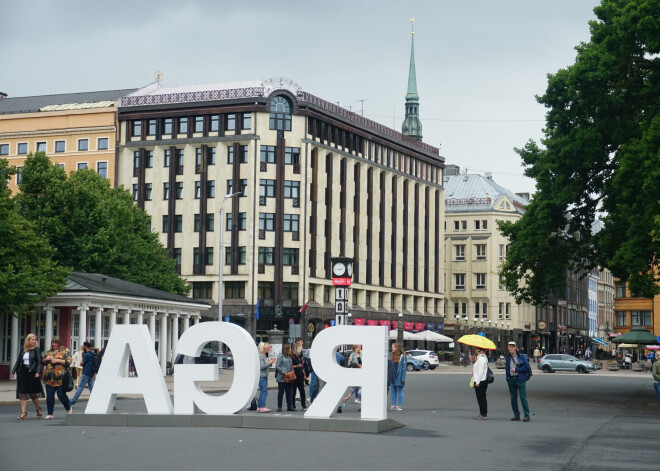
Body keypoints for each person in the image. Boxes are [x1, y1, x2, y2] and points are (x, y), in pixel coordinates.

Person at [11, 333, 44, 420]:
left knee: (32, 393)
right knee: (22, 392)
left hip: (32, 372)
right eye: (32, 340)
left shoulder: (36, 349)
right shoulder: (23, 349)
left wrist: (38, 372)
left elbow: (39, 362)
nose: (34, 341)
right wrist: (13, 371)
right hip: (22, 372)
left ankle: (38, 408)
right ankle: (23, 413)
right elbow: (18, 361)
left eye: (34, 340)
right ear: (28, 340)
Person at [41, 336, 72, 419]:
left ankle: (68, 408)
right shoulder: (49, 351)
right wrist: (46, 359)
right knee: (50, 396)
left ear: (59, 343)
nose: (54, 344)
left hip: (60, 378)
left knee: (61, 395)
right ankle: (50, 413)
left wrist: (57, 360)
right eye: (53, 343)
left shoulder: (65, 351)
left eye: (55, 343)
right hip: (49, 378)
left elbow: (68, 362)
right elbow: (42, 362)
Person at [506, 341, 531, 422]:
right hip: (511, 380)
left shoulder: (521, 356)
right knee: (513, 399)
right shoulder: (508, 357)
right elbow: (507, 368)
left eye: (513, 347)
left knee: (523, 398)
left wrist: (517, 369)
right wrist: (508, 378)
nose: (511, 348)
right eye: (510, 347)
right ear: (508, 348)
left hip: (520, 379)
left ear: (516, 348)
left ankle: (527, 416)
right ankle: (516, 415)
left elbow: (527, 367)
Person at [69, 342, 95, 406]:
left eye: (83, 345)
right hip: (91, 372)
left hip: (86, 372)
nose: (82, 346)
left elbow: (81, 363)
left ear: (85, 346)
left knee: (80, 387)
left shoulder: (86, 354)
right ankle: (95, 401)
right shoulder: (93, 353)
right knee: (92, 388)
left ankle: (73, 401)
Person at [256, 342, 275, 413]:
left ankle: (261, 406)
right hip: (262, 376)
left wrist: (270, 364)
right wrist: (269, 363)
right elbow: (261, 367)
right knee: (263, 391)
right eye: (266, 348)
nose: (268, 349)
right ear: (263, 348)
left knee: (264, 391)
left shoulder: (264, 356)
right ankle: (261, 407)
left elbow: (265, 366)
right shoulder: (261, 356)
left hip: (264, 375)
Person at [275, 343, 294, 412]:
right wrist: (283, 372)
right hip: (282, 377)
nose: (291, 350)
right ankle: (279, 407)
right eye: (290, 348)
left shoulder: (289, 356)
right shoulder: (281, 356)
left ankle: (289, 406)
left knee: (289, 393)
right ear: (286, 349)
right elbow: (277, 365)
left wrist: (292, 371)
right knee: (281, 392)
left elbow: (290, 366)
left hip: (289, 377)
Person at [388, 343, 407, 411]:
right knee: (393, 390)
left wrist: (402, 378)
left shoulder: (402, 356)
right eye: (392, 347)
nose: (391, 348)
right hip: (391, 375)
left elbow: (404, 368)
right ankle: (393, 405)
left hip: (398, 376)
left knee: (399, 390)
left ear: (397, 348)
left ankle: (399, 406)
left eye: (393, 347)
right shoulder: (390, 355)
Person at [472, 347, 488, 420]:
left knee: (481, 398)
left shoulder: (481, 359)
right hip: (481, 380)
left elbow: (481, 371)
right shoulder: (481, 358)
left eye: (476, 349)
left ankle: (483, 414)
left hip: (480, 380)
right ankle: (482, 413)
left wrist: (477, 382)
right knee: (481, 398)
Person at [290, 343, 307, 411]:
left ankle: (303, 404)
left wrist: (304, 374)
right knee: (293, 391)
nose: (301, 349)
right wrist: (297, 366)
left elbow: (302, 366)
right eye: (301, 348)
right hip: (295, 374)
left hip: (300, 374)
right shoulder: (292, 356)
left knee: (302, 391)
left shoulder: (299, 356)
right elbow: (291, 366)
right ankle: (293, 405)